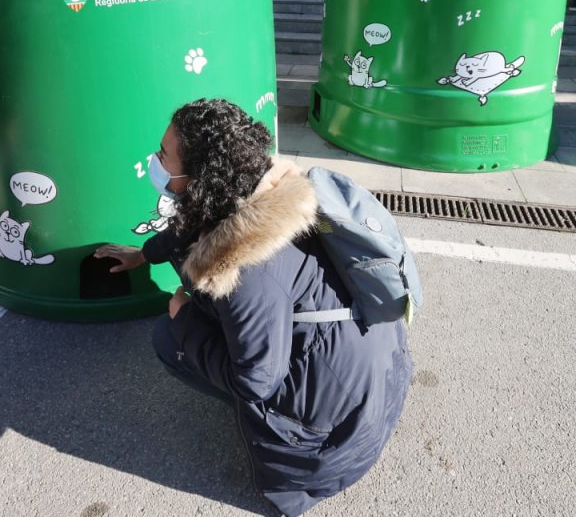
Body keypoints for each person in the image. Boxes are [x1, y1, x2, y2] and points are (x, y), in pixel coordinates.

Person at [95, 99, 412, 516]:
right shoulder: (258, 192)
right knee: (208, 310)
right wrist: (143, 254)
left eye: (164, 155)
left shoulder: (248, 268)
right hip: (373, 379)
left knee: (169, 337)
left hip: (332, 445)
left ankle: (285, 447)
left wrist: (184, 317)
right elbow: (188, 226)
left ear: (201, 176)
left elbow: (257, 380)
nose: (155, 162)